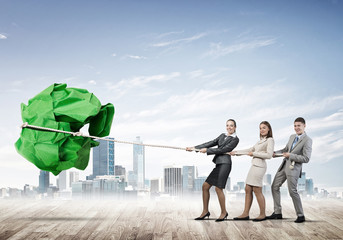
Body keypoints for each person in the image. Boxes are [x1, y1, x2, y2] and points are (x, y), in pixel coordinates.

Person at [186, 119, 239, 222]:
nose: (229, 127)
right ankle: (205, 211)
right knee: (205, 186)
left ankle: (224, 212)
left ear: (235, 127)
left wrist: (207, 151)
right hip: (218, 164)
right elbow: (211, 143)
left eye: (231, 125)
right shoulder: (222, 136)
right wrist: (194, 148)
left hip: (225, 164)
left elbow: (223, 150)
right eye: (227, 125)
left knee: (218, 188)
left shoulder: (235, 139)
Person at [267, 117, 312, 223]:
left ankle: (301, 215)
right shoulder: (292, 137)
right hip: (284, 166)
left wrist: (291, 155)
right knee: (274, 186)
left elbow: (306, 158)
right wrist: (275, 153)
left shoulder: (307, 140)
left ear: (304, 126)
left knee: (292, 191)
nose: (296, 128)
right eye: (295, 126)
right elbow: (285, 150)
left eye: (299, 126)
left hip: (294, 168)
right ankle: (277, 212)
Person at [230, 121, 274, 222]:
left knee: (257, 190)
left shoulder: (270, 140)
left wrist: (254, 153)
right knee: (248, 188)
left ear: (268, 129)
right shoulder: (260, 141)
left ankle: (262, 214)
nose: (261, 130)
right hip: (254, 165)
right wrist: (236, 153)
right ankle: (245, 214)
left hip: (260, 166)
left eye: (264, 128)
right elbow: (250, 149)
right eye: (260, 128)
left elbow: (269, 155)